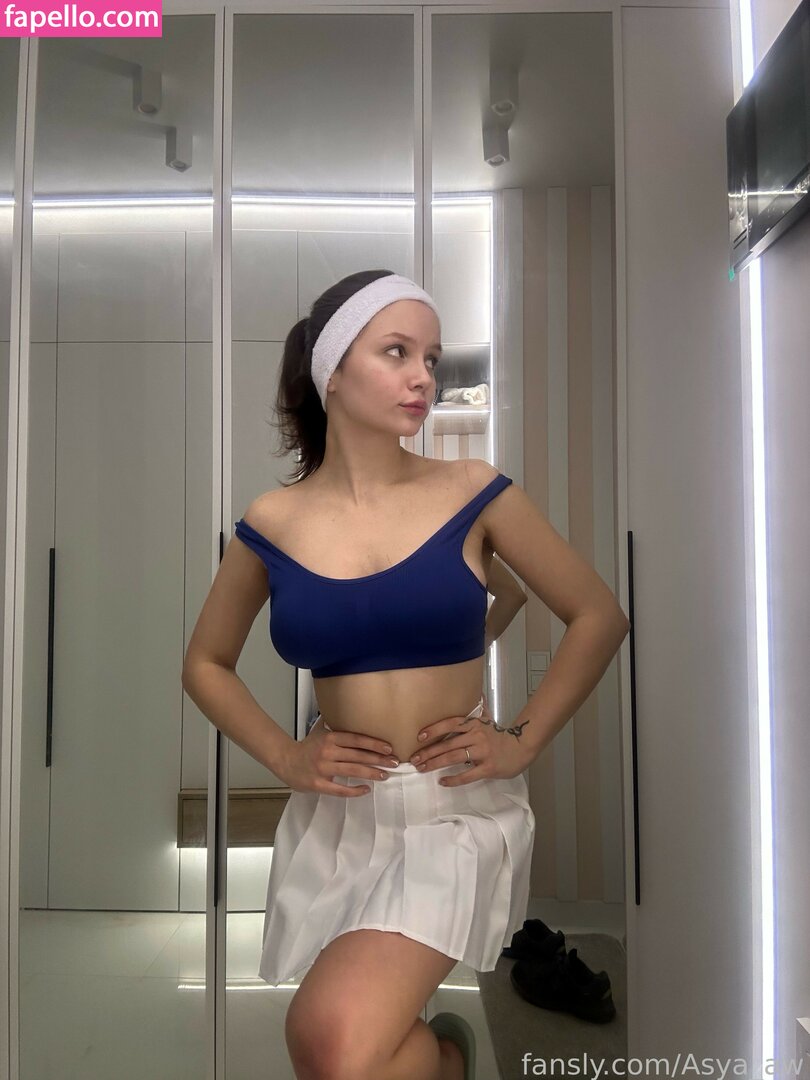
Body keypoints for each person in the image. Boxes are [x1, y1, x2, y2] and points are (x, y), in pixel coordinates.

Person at [181, 269, 631, 1080]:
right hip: (340, 817)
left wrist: (521, 740)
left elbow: (597, 615)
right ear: (331, 370)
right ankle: (440, 1057)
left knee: (333, 1040)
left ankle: (449, 1058)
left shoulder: (473, 491)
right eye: (397, 352)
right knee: (349, 1050)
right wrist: (285, 757)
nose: (424, 375)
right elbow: (205, 663)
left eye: (431, 358)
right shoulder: (272, 522)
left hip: (452, 809)